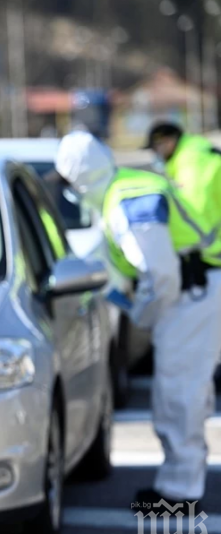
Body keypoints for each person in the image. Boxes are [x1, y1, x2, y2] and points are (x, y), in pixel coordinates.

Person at [55, 131, 221, 510]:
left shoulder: (128, 201)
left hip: (190, 294)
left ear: (80, 179)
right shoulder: (123, 189)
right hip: (194, 291)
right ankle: (182, 482)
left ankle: (180, 493)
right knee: (184, 391)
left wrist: (143, 315)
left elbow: (161, 275)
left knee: (179, 394)